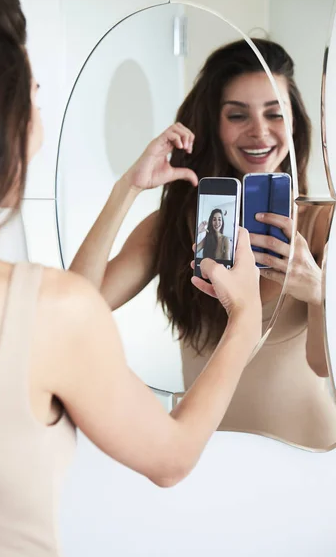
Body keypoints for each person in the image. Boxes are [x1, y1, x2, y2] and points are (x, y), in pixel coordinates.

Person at [0, 0, 261, 557]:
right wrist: (244, 320)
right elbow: (170, 457)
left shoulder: (43, 309)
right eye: (32, 90)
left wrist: (124, 190)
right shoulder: (42, 310)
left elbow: (75, 303)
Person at [71, 38, 336, 450]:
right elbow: (78, 303)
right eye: (237, 115)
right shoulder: (172, 228)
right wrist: (128, 188)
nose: (260, 131)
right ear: (215, 123)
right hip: (204, 469)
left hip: (306, 461)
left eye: (275, 113)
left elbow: (323, 365)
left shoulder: (323, 225)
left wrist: (320, 294)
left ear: (295, 122)